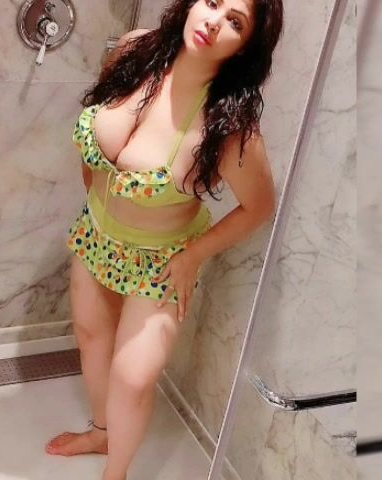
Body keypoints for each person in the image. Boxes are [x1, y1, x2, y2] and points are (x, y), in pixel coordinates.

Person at [46, 1, 284, 479]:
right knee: (92, 338)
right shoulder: (137, 51)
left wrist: (195, 255)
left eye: (234, 21)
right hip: (97, 233)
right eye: (212, 2)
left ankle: (116, 474)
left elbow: (260, 207)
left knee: (133, 378)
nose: (214, 21)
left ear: (246, 46)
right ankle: (102, 432)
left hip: (162, 260)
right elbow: (97, 123)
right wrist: (92, 183)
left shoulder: (229, 124)